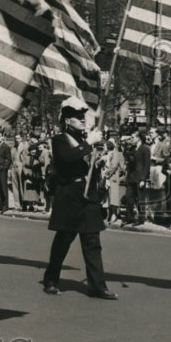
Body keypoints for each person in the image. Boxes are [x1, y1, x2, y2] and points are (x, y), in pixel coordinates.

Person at [40, 97, 117, 300]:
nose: (82, 119)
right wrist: (88, 144)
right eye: (76, 116)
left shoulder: (83, 141)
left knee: (92, 241)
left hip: (87, 195)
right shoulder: (59, 140)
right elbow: (67, 159)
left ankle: (97, 286)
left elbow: (84, 164)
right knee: (63, 241)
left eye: (82, 116)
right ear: (67, 120)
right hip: (69, 196)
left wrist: (97, 162)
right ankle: (51, 279)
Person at [123, 131, 151, 226]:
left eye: (133, 137)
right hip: (131, 177)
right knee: (128, 198)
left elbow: (146, 166)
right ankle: (129, 218)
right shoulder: (132, 148)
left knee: (140, 199)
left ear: (139, 138)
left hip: (139, 178)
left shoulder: (145, 149)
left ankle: (141, 219)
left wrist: (143, 179)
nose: (132, 139)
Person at [101, 137, 125, 224]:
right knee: (108, 197)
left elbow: (114, 166)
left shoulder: (116, 154)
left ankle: (114, 215)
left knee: (113, 197)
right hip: (107, 178)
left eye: (105, 146)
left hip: (112, 178)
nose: (104, 148)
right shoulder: (108, 154)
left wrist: (106, 175)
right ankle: (109, 215)